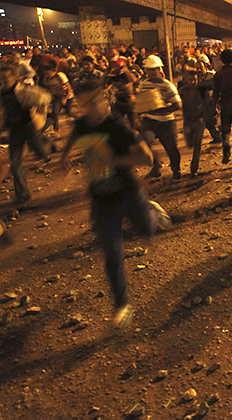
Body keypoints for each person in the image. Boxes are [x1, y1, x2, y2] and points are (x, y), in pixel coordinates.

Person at [62, 78, 171, 329]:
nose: (89, 108)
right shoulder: (81, 124)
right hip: (102, 200)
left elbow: (146, 157)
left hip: (129, 195)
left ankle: (153, 211)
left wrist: (115, 160)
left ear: (103, 100)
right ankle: (122, 305)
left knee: (147, 230)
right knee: (112, 253)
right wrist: (66, 156)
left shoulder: (117, 127)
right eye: (83, 103)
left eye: (93, 101)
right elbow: (74, 136)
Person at [0, 63, 52, 203]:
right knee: (15, 163)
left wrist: (32, 104)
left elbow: (46, 97)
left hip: (28, 127)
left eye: (5, 77)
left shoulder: (24, 90)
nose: (3, 80)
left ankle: (47, 146)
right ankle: (23, 194)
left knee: (41, 152)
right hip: (14, 130)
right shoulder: (2, 93)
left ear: (14, 77)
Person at [137, 54, 183, 179]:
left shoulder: (167, 85)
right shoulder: (144, 84)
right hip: (150, 121)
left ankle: (176, 170)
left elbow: (178, 104)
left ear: (159, 70)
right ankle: (156, 166)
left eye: (153, 69)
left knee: (171, 148)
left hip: (167, 122)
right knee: (144, 143)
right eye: (149, 69)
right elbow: (140, 101)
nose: (151, 72)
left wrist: (163, 109)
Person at [180, 70, 213, 175]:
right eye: (190, 80)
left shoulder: (202, 91)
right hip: (188, 121)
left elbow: (208, 105)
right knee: (190, 143)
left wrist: (203, 116)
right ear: (186, 79)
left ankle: (194, 168)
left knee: (197, 144)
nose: (192, 82)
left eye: (194, 80)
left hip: (199, 121)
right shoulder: (182, 91)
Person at [42, 61, 77, 132]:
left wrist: (65, 98)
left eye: (48, 73)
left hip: (67, 96)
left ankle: (77, 123)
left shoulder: (60, 75)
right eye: (45, 73)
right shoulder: (46, 79)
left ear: (53, 71)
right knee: (55, 112)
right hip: (57, 97)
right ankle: (56, 130)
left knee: (69, 112)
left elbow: (69, 87)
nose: (47, 75)